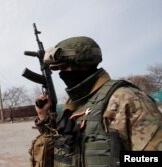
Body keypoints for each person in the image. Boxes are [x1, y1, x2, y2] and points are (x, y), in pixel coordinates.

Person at [29, 36, 162, 167]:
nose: (61, 74)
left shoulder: (127, 98)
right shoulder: (74, 102)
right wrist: (44, 116)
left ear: (82, 63)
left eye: (64, 67)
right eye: (59, 69)